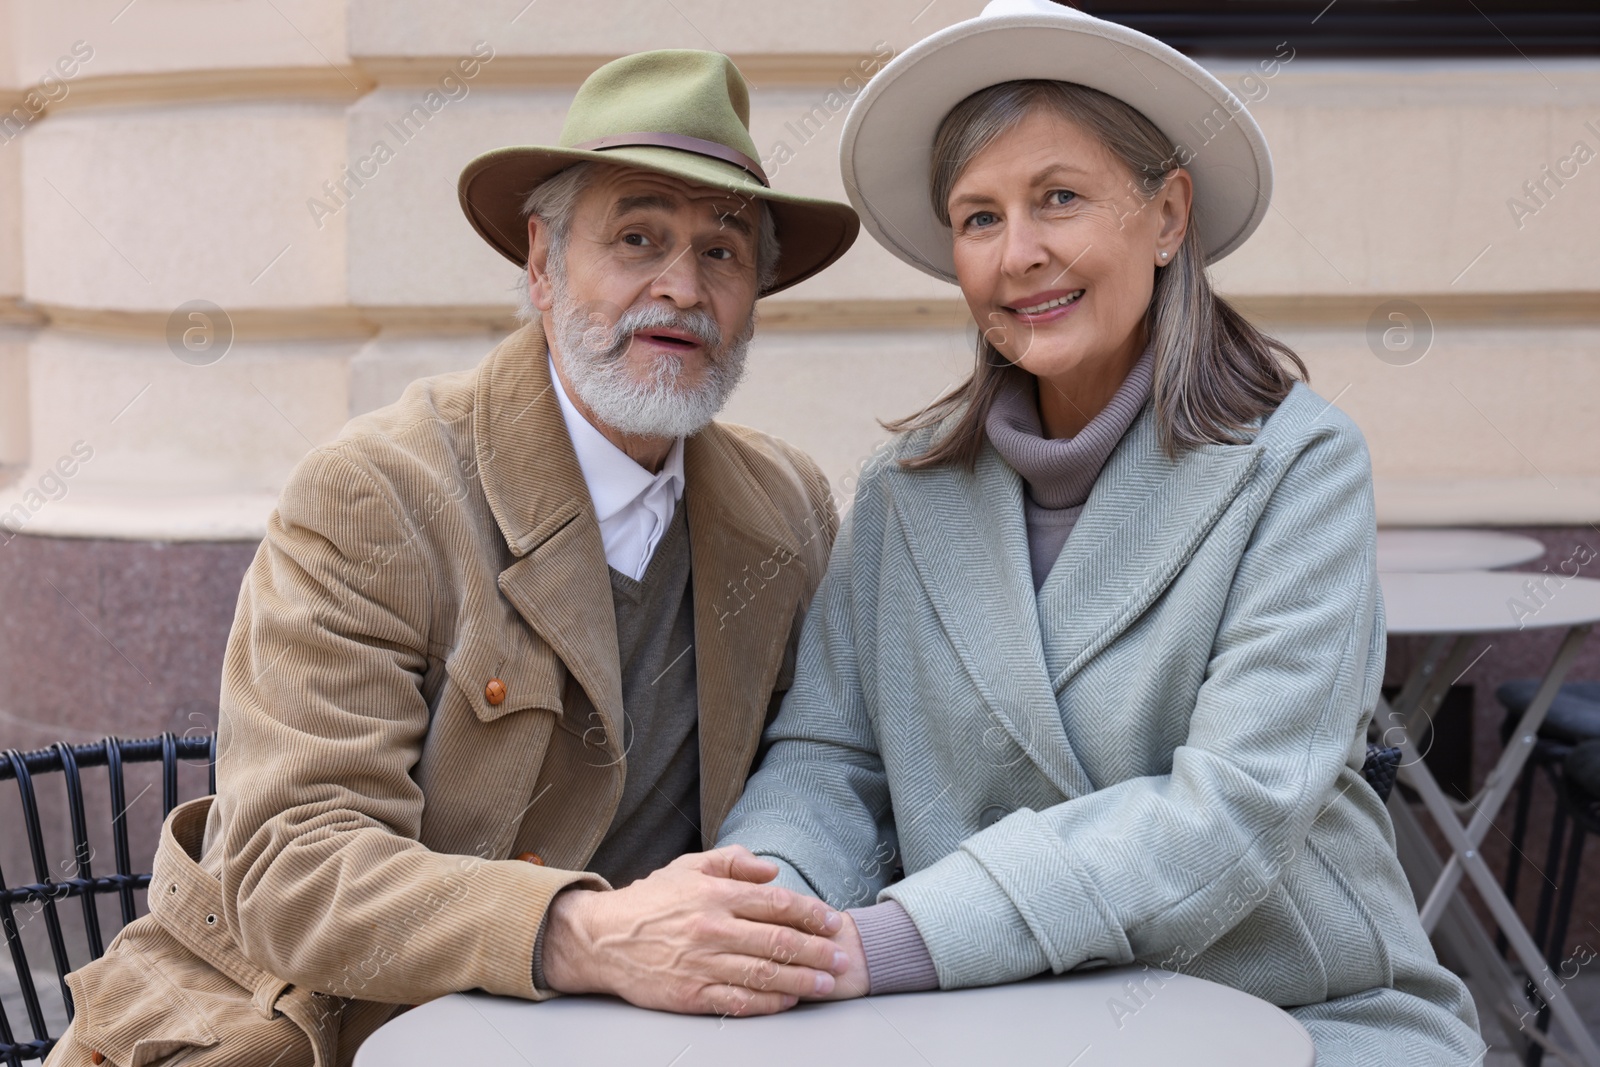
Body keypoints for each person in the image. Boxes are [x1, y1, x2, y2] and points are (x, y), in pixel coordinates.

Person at [46, 49, 863, 1067]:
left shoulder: (787, 510)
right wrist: (587, 931)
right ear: (541, 264)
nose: (680, 288)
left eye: (723, 251)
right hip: (313, 1023)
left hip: (624, 1036)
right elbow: (291, 865)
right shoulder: (375, 493)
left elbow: (831, 771)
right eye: (637, 238)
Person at [716, 3, 1487, 1063]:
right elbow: (827, 760)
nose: (1018, 252)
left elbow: (1234, 807)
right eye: (978, 217)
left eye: (1059, 198)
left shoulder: (1295, 466)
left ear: (1167, 215)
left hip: (1296, 1012)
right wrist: (764, 908)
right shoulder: (903, 490)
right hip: (976, 1015)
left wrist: (899, 938)